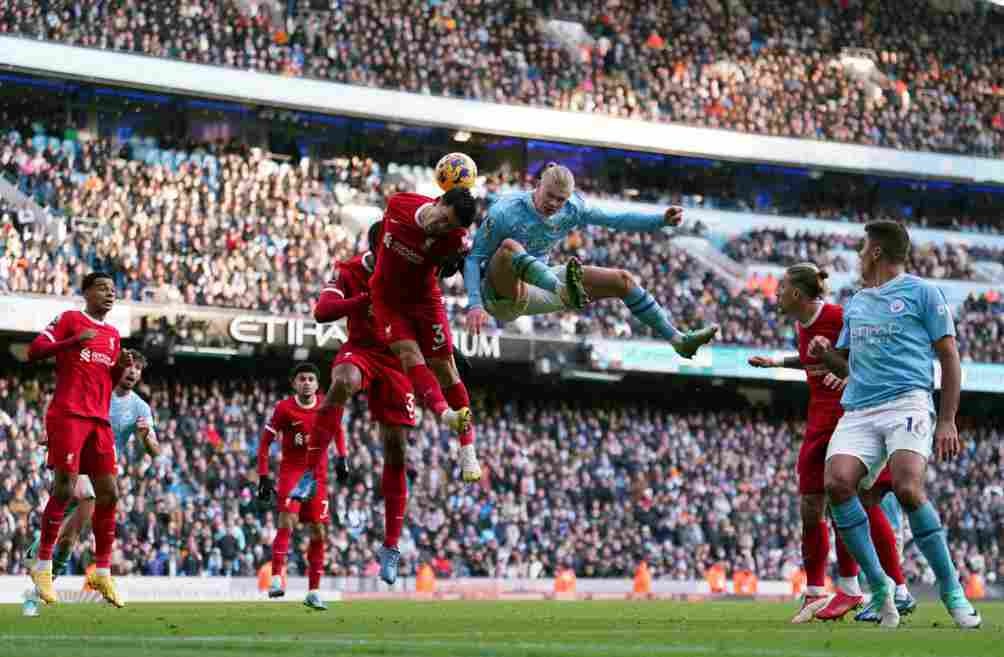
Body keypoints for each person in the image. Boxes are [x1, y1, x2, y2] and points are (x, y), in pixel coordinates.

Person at [809, 220, 981, 629]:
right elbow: (848, 365)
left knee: (906, 488)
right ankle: (882, 588)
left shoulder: (923, 293)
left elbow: (950, 357)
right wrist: (825, 354)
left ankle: (952, 591)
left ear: (876, 253)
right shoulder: (858, 303)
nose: (857, 255)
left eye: (862, 248)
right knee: (836, 483)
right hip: (861, 410)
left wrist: (947, 420)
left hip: (907, 401)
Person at [749, 263, 913, 624]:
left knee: (856, 503)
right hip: (817, 419)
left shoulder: (840, 316)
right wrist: (775, 362)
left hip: (850, 417)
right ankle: (814, 591)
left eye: (780, 288)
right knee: (810, 507)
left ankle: (883, 588)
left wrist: (849, 371)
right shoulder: (801, 325)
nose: (774, 294)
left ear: (796, 294)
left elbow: (873, 351)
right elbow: (813, 359)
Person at [463, 163, 717, 357]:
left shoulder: (574, 208)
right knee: (510, 247)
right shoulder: (505, 211)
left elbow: (616, 220)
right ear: (538, 184)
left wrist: (660, 220)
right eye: (549, 195)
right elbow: (474, 259)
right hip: (499, 294)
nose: (554, 204)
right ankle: (562, 289)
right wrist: (475, 304)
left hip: (540, 285)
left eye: (560, 200)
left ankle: (678, 341)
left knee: (623, 280)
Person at [293, 220, 419, 586]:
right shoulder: (350, 270)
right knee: (343, 380)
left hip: (397, 359)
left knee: (396, 450)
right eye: (389, 251)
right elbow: (322, 311)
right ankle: (310, 471)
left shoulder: (408, 275)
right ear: (377, 248)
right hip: (361, 350)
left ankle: (391, 546)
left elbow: (427, 316)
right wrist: (364, 300)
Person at [25, 271, 132, 607]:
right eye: (102, 288)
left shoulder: (114, 335)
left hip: (99, 420)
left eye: (113, 290)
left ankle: (102, 571)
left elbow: (105, 379)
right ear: (85, 293)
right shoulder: (70, 319)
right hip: (69, 414)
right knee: (65, 488)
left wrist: (120, 368)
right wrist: (72, 341)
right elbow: (35, 350)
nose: (109, 294)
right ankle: (42, 566)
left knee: (110, 493)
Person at [369, 189, 480, 483]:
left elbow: (455, 265)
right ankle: (445, 414)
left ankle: (468, 450)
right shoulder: (398, 202)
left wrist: (456, 262)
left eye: (449, 226)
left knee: (445, 368)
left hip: (424, 301)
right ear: (437, 201)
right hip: (388, 299)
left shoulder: (452, 239)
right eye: (443, 219)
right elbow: (380, 235)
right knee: (408, 354)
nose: (441, 227)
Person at [25, 350, 158, 579]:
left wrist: (146, 438)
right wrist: (54, 435)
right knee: (88, 497)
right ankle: (47, 562)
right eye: (130, 365)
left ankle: (45, 563)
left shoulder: (140, 408)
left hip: (103, 471)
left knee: (71, 531)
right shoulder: (98, 390)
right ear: (119, 366)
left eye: (138, 368)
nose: (133, 371)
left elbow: (155, 450)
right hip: (76, 459)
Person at [256, 363, 329, 610]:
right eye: (302, 379)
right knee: (287, 520)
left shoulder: (327, 405)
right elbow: (265, 442)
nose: (306, 382)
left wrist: (343, 458)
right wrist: (264, 475)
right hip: (293, 472)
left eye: (311, 379)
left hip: (317, 475)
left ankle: (314, 591)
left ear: (317, 384)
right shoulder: (284, 408)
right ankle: (276, 578)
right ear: (294, 383)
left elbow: (337, 430)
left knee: (318, 532)